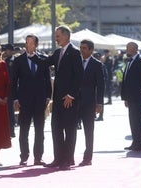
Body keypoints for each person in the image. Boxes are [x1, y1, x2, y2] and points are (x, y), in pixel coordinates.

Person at [31, 25, 84, 170]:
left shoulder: (75, 52)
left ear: (66, 36)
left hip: (69, 99)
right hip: (58, 99)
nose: (56, 38)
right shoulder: (57, 52)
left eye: (58, 35)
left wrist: (71, 95)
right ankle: (58, 158)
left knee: (70, 130)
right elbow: (44, 63)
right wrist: (32, 55)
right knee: (56, 128)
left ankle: (68, 159)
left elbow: (79, 76)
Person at [12, 34, 52, 166]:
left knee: (39, 130)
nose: (27, 45)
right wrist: (15, 99)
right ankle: (24, 156)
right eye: (26, 42)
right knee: (24, 130)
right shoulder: (18, 61)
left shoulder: (43, 59)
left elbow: (48, 79)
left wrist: (48, 97)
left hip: (40, 100)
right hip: (24, 100)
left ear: (36, 45)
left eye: (30, 42)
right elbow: (13, 82)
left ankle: (38, 157)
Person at [78, 39, 105, 166]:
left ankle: (87, 157)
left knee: (89, 131)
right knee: (71, 130)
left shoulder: (97, 64)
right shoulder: (76, 62)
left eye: (84, 48)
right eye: (81, 47)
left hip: (89, 103)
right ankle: (68, 156)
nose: (81, 50)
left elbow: (101, 86)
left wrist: (99, 103)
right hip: (75, 102)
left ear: (91, 50)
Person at [121, 42, 141, 151]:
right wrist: (125, 97)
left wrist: (140, 96)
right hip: (130, 98)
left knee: (137, 120)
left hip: (137, 98)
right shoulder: (130, 61)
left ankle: (140, 144)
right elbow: (126, 80)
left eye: (128, 48)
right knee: (133, 120)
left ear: (135, 49)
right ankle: (136, 142)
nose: (126, 49)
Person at [4, 44, 17, 138]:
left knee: (11, 110)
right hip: (6, 88)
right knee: (8, 110)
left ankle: (11, 130)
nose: (7, 52)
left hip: (13, 88)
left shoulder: (15, 61)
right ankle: (7, 129)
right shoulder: (4, 61)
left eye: (8, 50)